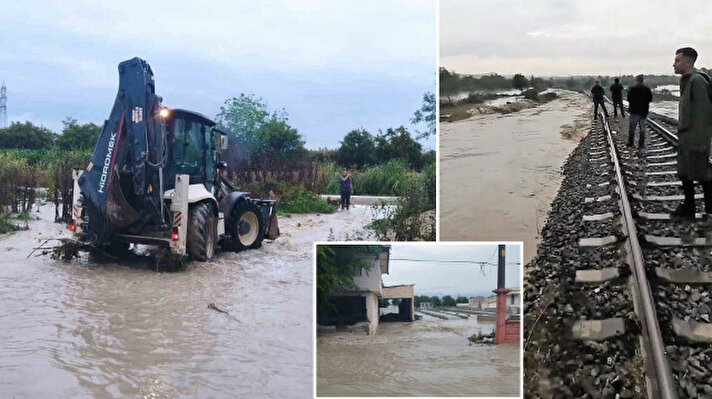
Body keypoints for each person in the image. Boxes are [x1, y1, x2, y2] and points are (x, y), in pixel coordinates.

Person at [670, 47, 712, 218]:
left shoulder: (697, 81)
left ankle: (706, 209)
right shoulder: (687, 80)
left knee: (702, 173)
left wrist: (700, 142)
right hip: (687, 136)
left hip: (695, 137)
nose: (674, 64)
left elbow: (704, 113)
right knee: (685, 172)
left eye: (677, 60)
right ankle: (690, 206)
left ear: (688, 62)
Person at [626, 75, 653, 148]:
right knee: (642, 129)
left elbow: (628, 99)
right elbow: (650, 99)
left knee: (632, 128)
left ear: (636, 80)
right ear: (642, 80)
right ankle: (641, 145)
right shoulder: (647, 89)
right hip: (643, 112)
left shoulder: (632, 89)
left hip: (634, 111)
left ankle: (630, 143)